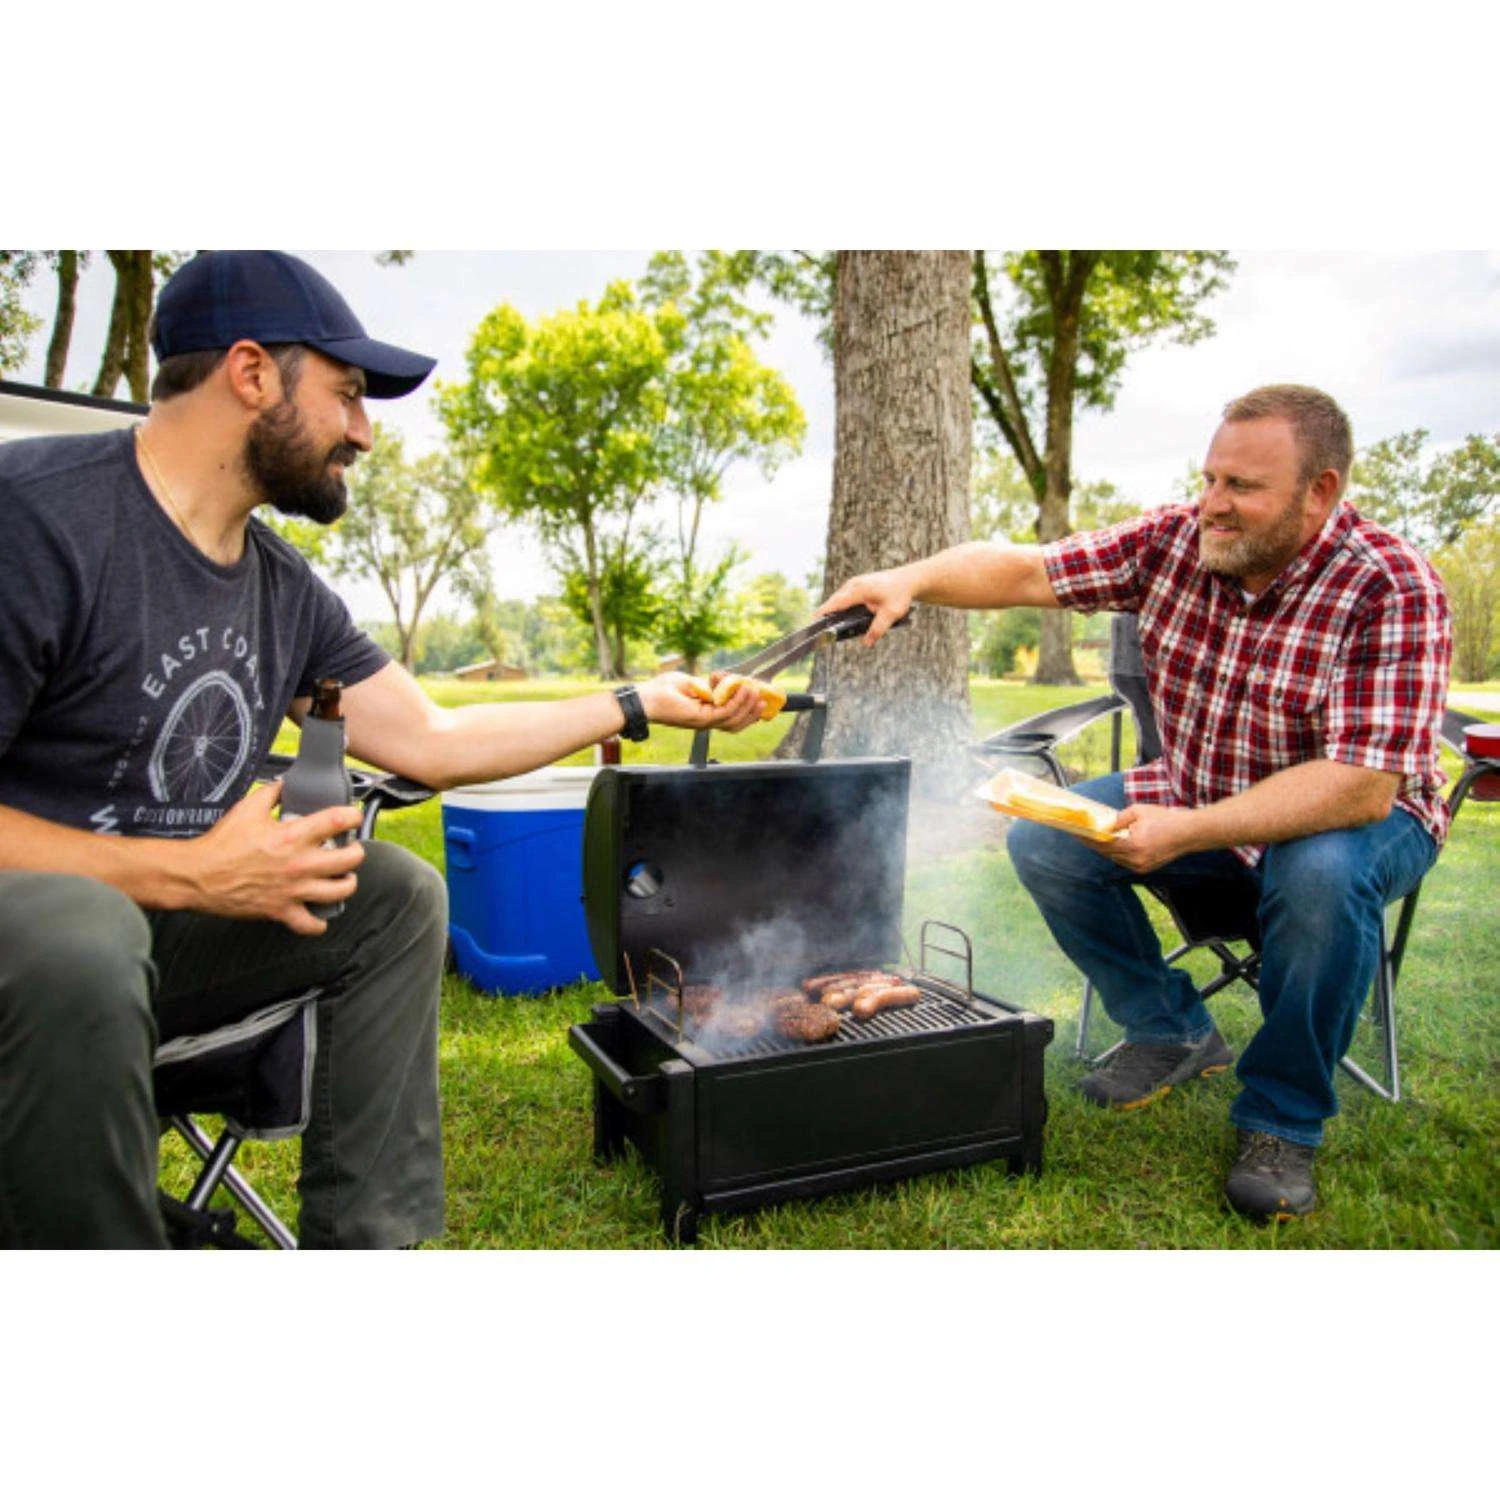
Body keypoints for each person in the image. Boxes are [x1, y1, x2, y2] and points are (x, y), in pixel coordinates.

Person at [0, 251, 764, 1249]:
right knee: (82, 933)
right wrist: (190, 873)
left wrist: (636, 703)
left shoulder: (282, 588)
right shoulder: (36, 518)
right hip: (47, 953)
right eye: (348, 393)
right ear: (251, 373)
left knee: (395, 897)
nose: (363, 431)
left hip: (154, 942)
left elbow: (433, 738)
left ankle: (370, 1250)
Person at [822, 385, 1452, 1221]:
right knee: (1044, 840)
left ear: (1320, 491)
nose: (1213, 504)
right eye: (1210, 478)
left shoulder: (1392, 585)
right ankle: (1172, 1028)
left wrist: (1191, 830)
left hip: (1355, 819)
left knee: (1320, 874)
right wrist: (910, 579)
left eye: (1242, 486)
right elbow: (1025, 568)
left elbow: (1361, 785)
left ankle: (1283, 1116)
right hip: (1197, 786)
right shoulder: (1172, 541)